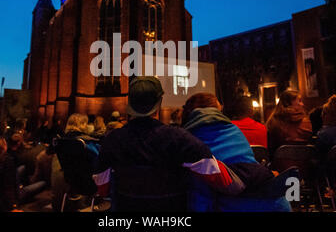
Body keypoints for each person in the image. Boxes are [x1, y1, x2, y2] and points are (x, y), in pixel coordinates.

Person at [92, 77, 244, 212]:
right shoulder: (179, 139)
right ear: (159, 103)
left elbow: (102, 187)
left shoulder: (112, 140)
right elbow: (225, 181)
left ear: (130, 103)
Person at [182, 92, 291, 212]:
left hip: (234, 204)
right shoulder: (235, 130)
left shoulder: (187, 140)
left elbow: (199, 191)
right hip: (275, 202)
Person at [266, 90, 312, 155]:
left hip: (279, 162)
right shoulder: (305, 122)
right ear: (288, 103)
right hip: (304, 162)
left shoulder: (273, 122)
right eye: (299, 101)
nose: (302, 104)